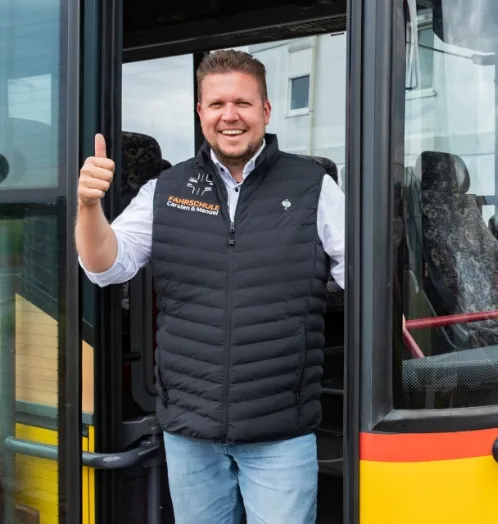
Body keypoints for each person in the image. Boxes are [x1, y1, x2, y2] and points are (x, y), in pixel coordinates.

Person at [76, 49, 345, 524]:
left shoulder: (313, 186)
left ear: (265, 110)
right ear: (201, 113)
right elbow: (105, 267)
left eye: (242, 103)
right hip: (189, 433)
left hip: (280, 433)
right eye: (217, 104)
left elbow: (361, 282)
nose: (230, 116)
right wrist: (89, 206)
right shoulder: (166, 189)